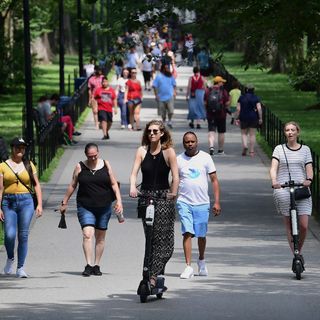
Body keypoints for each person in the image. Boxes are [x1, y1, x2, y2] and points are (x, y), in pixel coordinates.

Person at [59, 143, 123, 276]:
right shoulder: (79, 166)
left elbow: (113, 183)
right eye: (90, 156)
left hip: (104, 206)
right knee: (87, 234)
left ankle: (96, 265)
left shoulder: (106, 164)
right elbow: (72, 184)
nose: (93, 158)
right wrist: (64, 201)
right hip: (85, 206)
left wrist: (119, 201)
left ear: (98, 153)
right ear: (86, 155)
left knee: (100, 237)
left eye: (95, 155)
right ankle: (88, 264)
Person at [129, 120, 179, 288]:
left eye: (155, 131)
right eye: (149, 131)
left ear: (162, 133)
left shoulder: (169, 152)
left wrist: (173, 192)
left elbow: (176, 176)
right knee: (151, 237)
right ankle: (150, 275)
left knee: (165, 241)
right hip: (146, 197)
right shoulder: (142, 151)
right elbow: (134, 173)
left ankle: (155, 273)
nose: (151, 134)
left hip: (164, 197)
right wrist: (132, 187)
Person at [176, 132, 221, 279]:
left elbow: (214, 180)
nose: (190, 144)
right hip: (184, 201)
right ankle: (188, 266)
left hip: (202, 202)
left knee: (201, 235)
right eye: (187, 142)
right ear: (183, 143)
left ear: (197, 142)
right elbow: (175, 181)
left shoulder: (205, 158)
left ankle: (201, 259)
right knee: (187, 232)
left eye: (192, 141)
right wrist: (172, 196)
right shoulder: (178, 160)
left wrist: (217, 201)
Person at [270, 121, 313, 268]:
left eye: (292, 130)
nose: (290, 132)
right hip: (284, 188)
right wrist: (274, 180)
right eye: (287, 130)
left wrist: (309, 179)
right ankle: (296, 254)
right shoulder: (279, 149)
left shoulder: (305, 150)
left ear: (297, 132)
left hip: (301, 189)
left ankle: (298, 251)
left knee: (303, 225)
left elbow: (309, 169)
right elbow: (273, 168)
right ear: (285, 133)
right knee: (289, 224)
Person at [0, 137, 43, 278]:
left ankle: (20, 268)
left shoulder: (29, 164)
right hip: (8, 201)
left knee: (23, 235)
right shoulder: (3, 166)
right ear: (12, 148)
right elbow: (0, 188)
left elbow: (36, 184)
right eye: (17, 147)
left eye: (23, 148)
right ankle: (10, 257)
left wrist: (40, 204)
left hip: (26, 202)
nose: (20, 150)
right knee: (9, 234)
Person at [205, 75, 231, 155]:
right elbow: (226, 103)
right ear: (219, 82)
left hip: (211, 114)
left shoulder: (208, 90)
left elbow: (205, 102)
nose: (223, 83)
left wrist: (208, 109)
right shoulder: (223, 92)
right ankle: (220, 150)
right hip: (221, 115)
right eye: (222, 82)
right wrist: (230, 101)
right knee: (221, 132)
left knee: (211, 131)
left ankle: (211, 147)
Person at [236, 84, 262, 157]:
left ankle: (245, 145)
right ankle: (252, 151)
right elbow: (259, 109)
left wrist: (237, 118)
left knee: (244, 133)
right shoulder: (256, 98)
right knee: (252, 134)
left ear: (246, 89)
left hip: (243, 117)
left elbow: (238, 109)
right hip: (253, 117)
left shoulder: (241, 98)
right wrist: (260, 118)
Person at [152, 64, 177, 129]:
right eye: (166, 68)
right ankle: (164, 121)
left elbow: (174, 85)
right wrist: (156, 95)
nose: (167, 69)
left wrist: (174, 92)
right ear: (163, 69)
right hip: (161, 97)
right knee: (162, 112)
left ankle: (170, 120)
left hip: (170, 96)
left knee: (171, 111)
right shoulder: (158, 77)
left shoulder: (170, 76)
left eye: (168, 68)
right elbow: (154, 86)